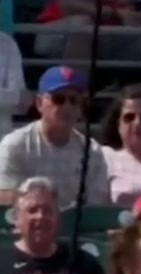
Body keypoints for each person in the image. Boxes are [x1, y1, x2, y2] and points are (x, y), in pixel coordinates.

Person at [0, 66, 109, 209]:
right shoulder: (15, 144)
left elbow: (96, 205)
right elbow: (4, 196)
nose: (67, 106)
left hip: (73, 228)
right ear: (39, 104)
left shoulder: (92, 151)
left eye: (74, 100)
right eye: (59, 99)